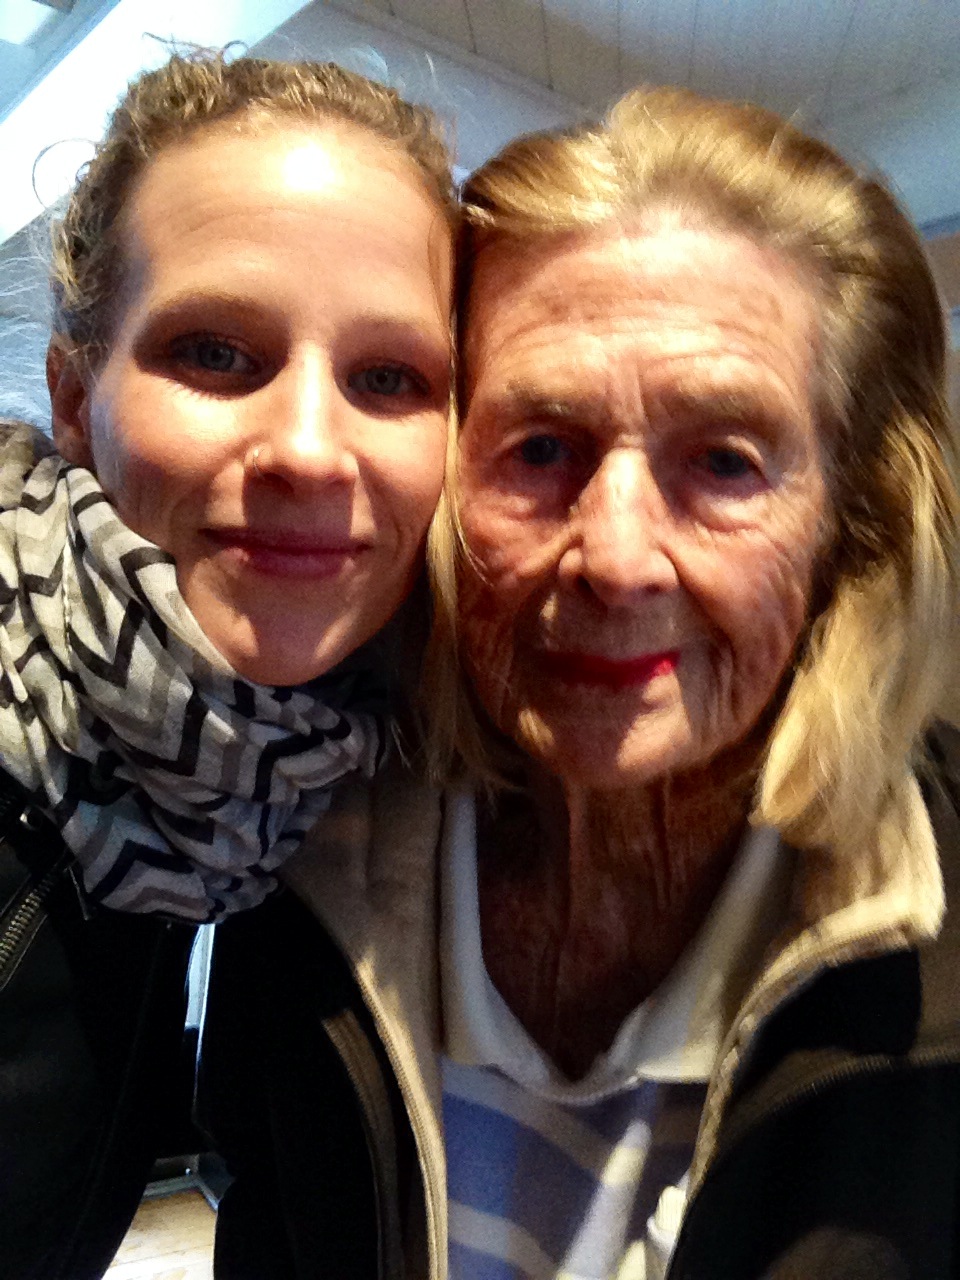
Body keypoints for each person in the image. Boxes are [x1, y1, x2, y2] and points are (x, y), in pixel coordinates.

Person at [258, 84, 960, 1279]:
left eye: (725, 461)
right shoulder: (302, 845)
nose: (618, 558)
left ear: (851, 522)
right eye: (539, 448)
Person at [0, 50, 454, 1280]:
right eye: (213, 352)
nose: (308, 448)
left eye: (389, 377)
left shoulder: (266, 784)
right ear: (75, 399)